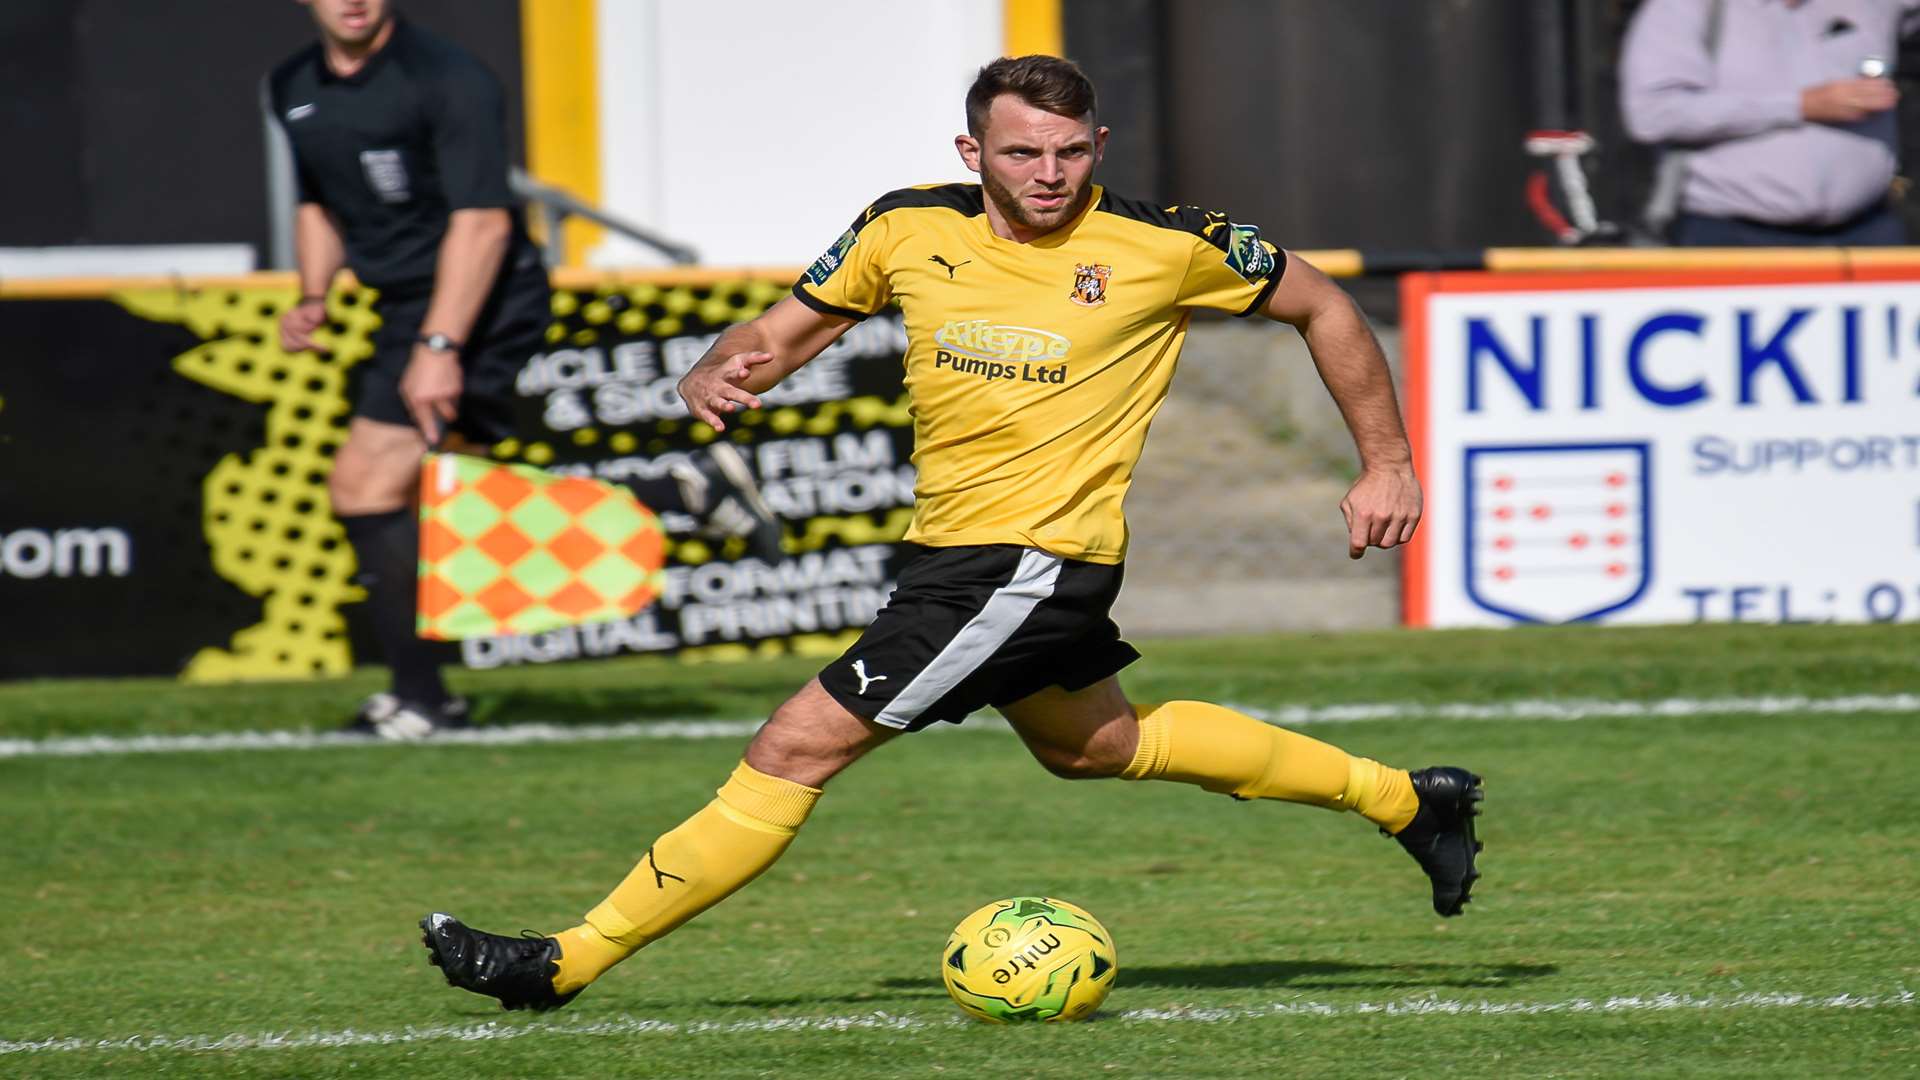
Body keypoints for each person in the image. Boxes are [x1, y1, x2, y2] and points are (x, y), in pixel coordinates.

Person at [419, 55, 1484, 1012]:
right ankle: (1409, 802)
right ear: (974, 151)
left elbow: (1328, 308)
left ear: (1099, 146)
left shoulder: (1171, 245)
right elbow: (786, 331)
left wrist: (1386, 463)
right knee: (1096, 745)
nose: (1051, 172)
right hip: (955, 553)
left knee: (794, 745)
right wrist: (719, 363)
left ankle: (562, 964)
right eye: (1024, 151)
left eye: (1071, 151)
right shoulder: (904, 226)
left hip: (1030, 562)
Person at [268, 0, 780, 739]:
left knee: (364, 486)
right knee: (449, 507)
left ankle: (422, 699)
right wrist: (313, 294)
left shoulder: (446, 76)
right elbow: (316, 198)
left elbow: (483, 222)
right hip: (405, 304)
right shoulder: (291, 83)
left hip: (479, 301)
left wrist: (439, 347)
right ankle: (677, 487)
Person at [1621, 0, 1920, 246]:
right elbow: (1653, 114)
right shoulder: (1687, 8)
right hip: (1733, 236)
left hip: (1869, 232)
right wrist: (1800, 105)